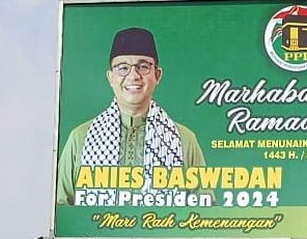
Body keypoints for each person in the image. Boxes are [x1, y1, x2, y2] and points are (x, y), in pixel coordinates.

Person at [56, 27, 207, 205]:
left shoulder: (184, 140)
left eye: (143, 67)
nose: (133, 76)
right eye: (122, 68)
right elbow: (61, 213)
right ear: (110, 77)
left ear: (157, 75)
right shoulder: (80, 138)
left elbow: (204, 210)